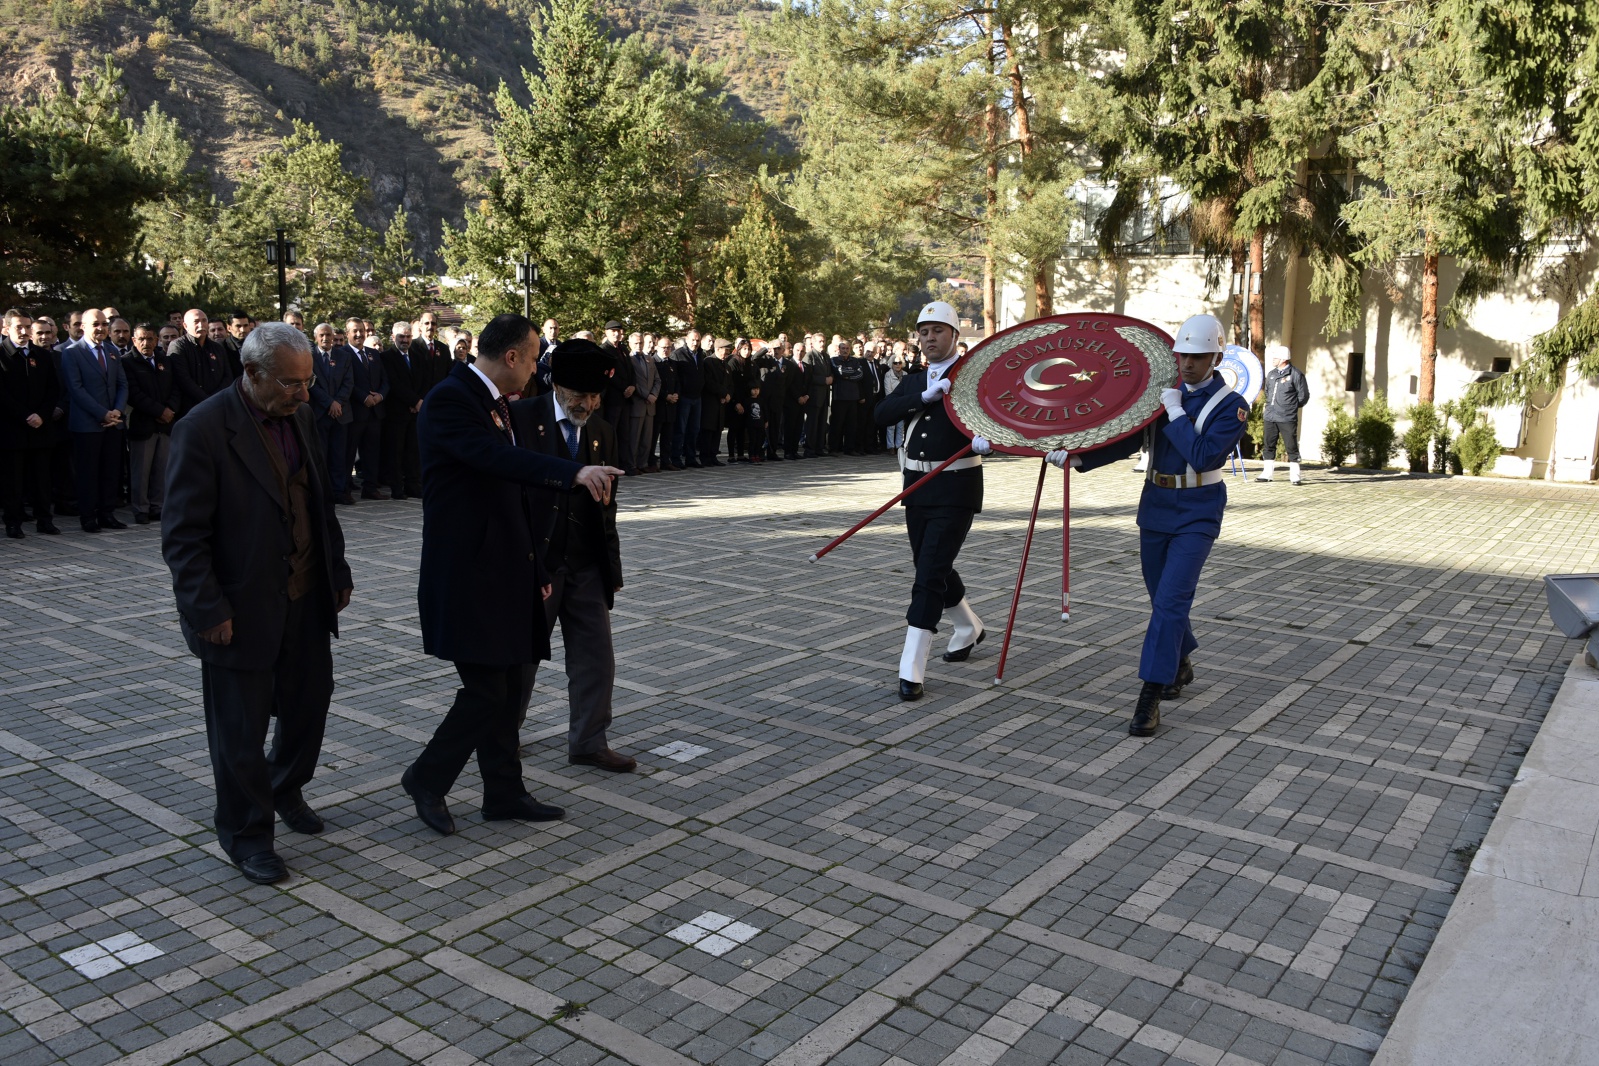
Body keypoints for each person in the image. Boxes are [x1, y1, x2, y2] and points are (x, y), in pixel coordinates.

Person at [402, 315, 622, 835]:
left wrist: (533, 566)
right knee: (487, 692)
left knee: (502, 687)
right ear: (513, 357)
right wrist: (572, 472)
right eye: (536, 353)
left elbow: (512, 499)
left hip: (504, 570)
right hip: (466, 574)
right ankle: (427, 779)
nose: (538, 366)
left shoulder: (493, 402)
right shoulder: (453, 398)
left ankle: (503, 793)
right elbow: (495, 460)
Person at [161, 322, 353, 884]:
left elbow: (321, 506)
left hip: (303, 596)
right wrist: (208, 609)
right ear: (251, 373)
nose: (303, 393)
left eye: (308, 382)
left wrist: (335, 572)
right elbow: (183, 536)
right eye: (292, 383)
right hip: (238, 608)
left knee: (309, 703)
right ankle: (247, 834)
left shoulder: (304, 417)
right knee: (239, 730)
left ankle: (283, 787)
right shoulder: (203, 430)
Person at [1058, 313, 1250, 736]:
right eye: (1182, 355)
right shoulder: (1165, 394)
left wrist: (1177, 413)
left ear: (1217, 356)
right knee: (1160, 596)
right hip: (1157, 503)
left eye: (1198, 357)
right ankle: (1180, 661)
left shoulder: (1231, 406)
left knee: (1170, 602)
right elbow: (1130, 436)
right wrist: (1080, 459)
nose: (1187, 364)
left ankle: (1149, 695)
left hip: (1198, 509)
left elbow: (1204, 457)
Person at [508, 338, 635, 773]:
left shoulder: (603, 431)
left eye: (597, 396)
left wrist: (611, 568)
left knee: (596, 657)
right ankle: (504, 735)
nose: (589, 404)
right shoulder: (521, 418)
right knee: (521, 659)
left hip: (585, 565)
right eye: (580, 395)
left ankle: (588, 741)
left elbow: (607, 509)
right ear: (557, 386)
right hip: (535, 563)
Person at [873, 301, 991, 700]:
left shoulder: (974, 378)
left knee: (927, 576)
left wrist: (989, 440)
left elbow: (1002, 418)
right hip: (916, 487)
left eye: (937, 331)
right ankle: (968, 626)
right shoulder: (916, 379)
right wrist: (923, 396)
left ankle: (911, 666)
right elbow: (880, 414)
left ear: (955, 336)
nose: (929, 339)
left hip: (956, 488)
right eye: (923, 332)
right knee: (931, 564)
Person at [61, 309, 128, 533]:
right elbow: (76, 389)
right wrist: (103, 413)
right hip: (87, 424)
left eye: (103, 324)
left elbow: (122, 384)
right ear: (83, 327)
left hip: (113, 423)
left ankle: (107, 514)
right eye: (95, 324)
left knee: (111, 471)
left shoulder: (112, 351)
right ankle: (88, 517)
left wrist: (117, 411)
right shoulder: (72, 353)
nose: (100, 328)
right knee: (88, 473)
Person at [1, 309, 59, 538]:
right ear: (6, 329)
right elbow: (2, 394)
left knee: (42, 479)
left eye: (27, 327)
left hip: (40, 428)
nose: (24, 332)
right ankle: (13, 523)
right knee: (13, 481)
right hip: (12, 429)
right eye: (19, 327)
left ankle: (45, 520)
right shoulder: (1, 355)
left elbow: (53, 389)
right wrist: (25, 415)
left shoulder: (42, 355)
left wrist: (41, 415)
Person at [122, 323, 177, 526]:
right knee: (141, 471)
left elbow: (175, 388)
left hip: (165, 424)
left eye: (150, 338)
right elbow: (134, 394)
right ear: (134, 341)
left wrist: (170, 408)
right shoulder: (128, 362)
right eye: (141, 339)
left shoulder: (165, 360)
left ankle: (158, 506)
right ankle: (140, 508)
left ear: (156, 340)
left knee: (161, 469)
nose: (146, 343)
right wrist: (158, 411)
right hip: (143, 425)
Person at [309, 323, 356, 505]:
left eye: (328, 334)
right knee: (321, 454)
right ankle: (322, 492)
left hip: (340, 414)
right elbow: (311, 383)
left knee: (339, 455)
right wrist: (330, 402)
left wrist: (338, 403)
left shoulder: (343, 356)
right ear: (316, 337)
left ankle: (339, 491)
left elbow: (349, 382)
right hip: (320, 413)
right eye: (322, 335)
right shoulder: (309, 356)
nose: (326, 338)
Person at [381, 321, 427, 499]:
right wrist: (414, 400)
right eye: (401, 336)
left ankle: (412, 485)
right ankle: (396, 487)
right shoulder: (386, 357)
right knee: (396, 452)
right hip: (397, 412)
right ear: (393, 337)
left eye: (408, 336)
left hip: (415, 412)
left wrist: (419, 401)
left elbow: (423, 380)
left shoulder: (417, 355)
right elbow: (393, 384)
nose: (405, 340)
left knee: (413, 451)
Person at [1258, 344, 1309, 485]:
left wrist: (1290, 407)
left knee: (1291, 446)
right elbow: (1268, 392)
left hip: (1287, 417)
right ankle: (1267, 473)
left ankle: (1295, 475)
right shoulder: (1272, 374)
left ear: (1284, 359)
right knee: (1269, 444)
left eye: (1276, 357)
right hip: (1270, 416)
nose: (1273, 360)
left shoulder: (1296, 374)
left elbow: (1303, 396)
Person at [170, 309, 233, 418]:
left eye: (204, 321)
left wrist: (214, 399)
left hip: (218, 406)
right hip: (190, 410)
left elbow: (227, 376)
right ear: (185, 325)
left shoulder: (217, 348)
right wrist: (207, 401)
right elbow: (183, 379)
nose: (201, 325)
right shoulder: (178, 346)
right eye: (196, 321)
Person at [624, 331, 659, 475]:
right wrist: (646, 395)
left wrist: (654, 395)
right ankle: (632, 464)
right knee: (634, 438)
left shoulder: (649, 359)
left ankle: (643, 463)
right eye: (636, 343)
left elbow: (657, 379)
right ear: (630, 344)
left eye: (641, 343)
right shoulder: (628, 359)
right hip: (637, 404)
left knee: (647, 438)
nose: (639, 345)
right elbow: (633, 382)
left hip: (650, 405)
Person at [671, 329, 704, 468]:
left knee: (694, 429)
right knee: (680, 429)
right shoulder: (678, 354)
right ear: (687, 339)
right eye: (692, 340)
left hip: (697, 397)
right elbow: (676, 377)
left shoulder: (701, 354)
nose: (695, 343)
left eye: (697, 340)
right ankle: (676, 458)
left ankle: (691, 458)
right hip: (684, 397)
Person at [653, 337, 681, 470]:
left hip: (671, 406)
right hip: (658, 404)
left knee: (668, 436)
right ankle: (651, 462)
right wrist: (665, 396)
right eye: (663, 347)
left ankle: (666, 461)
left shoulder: (672, 363)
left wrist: (676, 393)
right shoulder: (653, 362)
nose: (666, 350)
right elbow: (654, 383)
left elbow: (677, 381)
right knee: (654, 436)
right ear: (657, 347)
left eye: (668, 347)